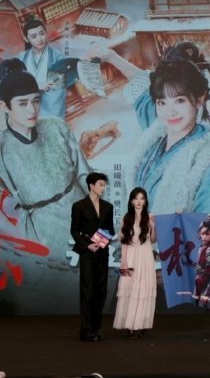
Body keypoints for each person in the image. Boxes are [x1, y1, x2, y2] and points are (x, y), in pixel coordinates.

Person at [90, 42, 210, 214]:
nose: (170, 112)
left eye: (180, 100)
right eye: (161, 102)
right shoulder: (158, 128)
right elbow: (143, 85)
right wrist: (111, 56)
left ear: (199, 98)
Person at [0, 60, 90, 251]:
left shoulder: (56, 127)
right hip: (43, 231)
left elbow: (84, 174)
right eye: (22, 103)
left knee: (101, 255)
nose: (32, 110)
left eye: (35, 100)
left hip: (81, 210)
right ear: (5, 106)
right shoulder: (2, 149)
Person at [70, 172, 114, 342]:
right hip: (87, 251)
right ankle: (86, 330)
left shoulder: (108, 206)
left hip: (102, 251)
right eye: (101, 184)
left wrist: (99, 243)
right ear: (91, 185)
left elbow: (110, 229)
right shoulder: (79, 206)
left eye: (104, 185)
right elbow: (74, 230)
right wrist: (87, 245)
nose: (103, 188)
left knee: (101, 291)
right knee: (88, 290)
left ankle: (96, 328)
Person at [113, 188, 157, 338]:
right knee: (130, 289)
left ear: (145, 202)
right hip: (131, 256)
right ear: (131, 201)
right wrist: (124, 261)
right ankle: (130, 325)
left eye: (142, 198)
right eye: (136, 198)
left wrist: (152, 226)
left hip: (146, 256)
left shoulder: (149, 217)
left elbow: (153, 240)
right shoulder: (126, 218)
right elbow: (124, 242)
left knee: (144, 289)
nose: (139, 201)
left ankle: (143, 323)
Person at [16, 16, 69, 119]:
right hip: (30, 107)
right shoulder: (21, 58)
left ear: (46, 33)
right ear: (26, 39)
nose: (39, 39)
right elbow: (17, 83)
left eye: (42, 33)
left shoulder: (57, 56)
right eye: (34, 36)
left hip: (50, 108)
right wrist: (36, 87)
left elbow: (59, 85)